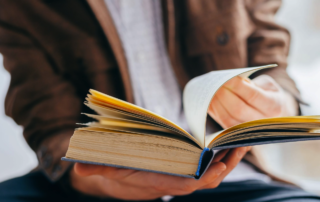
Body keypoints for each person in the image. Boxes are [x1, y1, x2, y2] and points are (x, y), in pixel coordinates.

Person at [0, 0, 319, 201]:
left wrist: (278, 106)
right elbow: (51, 125)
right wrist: (106, 186)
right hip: (97, 184)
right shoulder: (23, 7)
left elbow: (273, 65)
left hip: (231, 178)